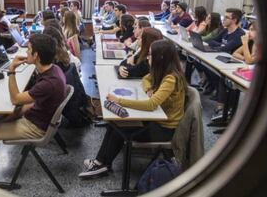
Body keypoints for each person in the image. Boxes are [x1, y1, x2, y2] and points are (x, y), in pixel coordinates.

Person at [0, 34, 67, 174]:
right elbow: (35, 102)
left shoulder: (48, 83)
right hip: (37, 116)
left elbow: (15, 99)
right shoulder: (54, 70)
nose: (26, 52)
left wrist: (11, 70)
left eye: (29, 50)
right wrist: (17, 112)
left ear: (36, 56)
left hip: (36, 127)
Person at [79, 39, 187, 178]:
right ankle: (102, 163)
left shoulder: (170, 79)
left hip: (164, 130)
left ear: (160, 58)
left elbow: (151, 105)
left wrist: (119, 101)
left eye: (150, 55)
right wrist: (149, 89)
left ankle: (102, 164)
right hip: (157, 121)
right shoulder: (163, 71)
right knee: (115, 123)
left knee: (119, 128)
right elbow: (146, 79)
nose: (148, 57)